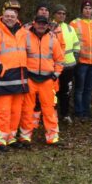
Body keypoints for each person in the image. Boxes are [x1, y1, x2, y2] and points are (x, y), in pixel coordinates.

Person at [0, 7, 28, 151]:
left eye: (12, 16)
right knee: (3, 112)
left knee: (16, 112)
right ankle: (0, 140)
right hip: (2, 79)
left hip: (19, 79)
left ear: (17, 17)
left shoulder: (22, 32)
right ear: (2, 16)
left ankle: (11, 138)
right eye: (7, 16)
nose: (10, 18)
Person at [18, 15, 63, 146]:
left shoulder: (53, 40)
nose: (41, 26)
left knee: (49, 110)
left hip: (47, 80)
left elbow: (59, 59)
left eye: (44, 24)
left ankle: (52, 137)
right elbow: (20, 56)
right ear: (34, 23)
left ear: (48, 25)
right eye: (39, 23)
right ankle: (25, 137)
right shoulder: (25, 37)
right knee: (27, 109)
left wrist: (55, 74)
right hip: (30, 79)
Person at [71, 0, 92, 121]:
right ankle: (79, 112)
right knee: (79, 89)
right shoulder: (74, 23)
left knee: (89, 89)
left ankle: (86, 112)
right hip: (81, 61)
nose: (88, 11)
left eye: (90, 8)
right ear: (81, 10)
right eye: (86, 8)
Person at [52, 4, 79, 123]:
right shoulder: (49, 27)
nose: (62, 15)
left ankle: (65, 114)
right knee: (53, 92)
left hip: (68, 66)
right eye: (59, 13)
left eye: (64, 13)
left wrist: (76, 56)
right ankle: (52, 116)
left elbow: (76, 44)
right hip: (53, 67)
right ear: (54, 14)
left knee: (66, 92)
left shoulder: (70, 28)